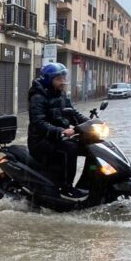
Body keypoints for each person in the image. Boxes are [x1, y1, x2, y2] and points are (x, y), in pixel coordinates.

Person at [27, 63, 89, 200]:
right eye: (59, 79)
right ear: (49, 80)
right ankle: (66, 188)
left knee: (88, 146)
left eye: (64, 78)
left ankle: (90, 183)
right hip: (40, 141)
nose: (63, 82)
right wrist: (61, 131)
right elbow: (39, 123)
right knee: (70, 148)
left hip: (57, 137)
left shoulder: (61, 95)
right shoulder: (38, 97)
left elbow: (73, 114)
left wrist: (90, 123)